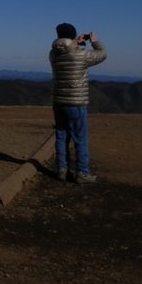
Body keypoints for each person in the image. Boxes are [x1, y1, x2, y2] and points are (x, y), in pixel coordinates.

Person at [49, 22, 107, 183]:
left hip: (58, 101)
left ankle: (62, 170)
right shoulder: (81, 55)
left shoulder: (52, 55)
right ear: (72, 36)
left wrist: (76, 42)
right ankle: (82, 173)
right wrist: (94, 41)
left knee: (61, 136)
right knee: (80, 138)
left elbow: (65, 49)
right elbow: (102, 54)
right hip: (76, 102)